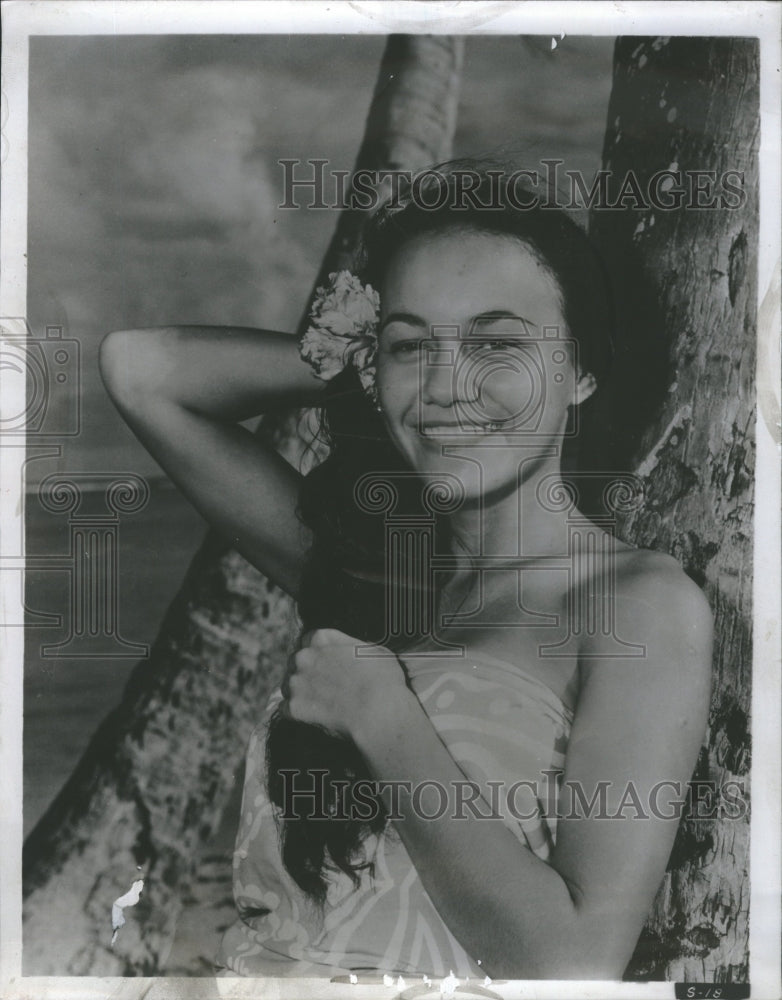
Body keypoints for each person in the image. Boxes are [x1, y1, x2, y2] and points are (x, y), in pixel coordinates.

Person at [99, 164, 713, 982]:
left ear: (582, 374)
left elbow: (570, 961)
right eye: (411, 345)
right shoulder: (365, 568)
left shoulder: (635, 607)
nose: (446, 388)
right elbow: (141, 371)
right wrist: (343, 361)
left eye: (498, 344)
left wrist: (384, 719)